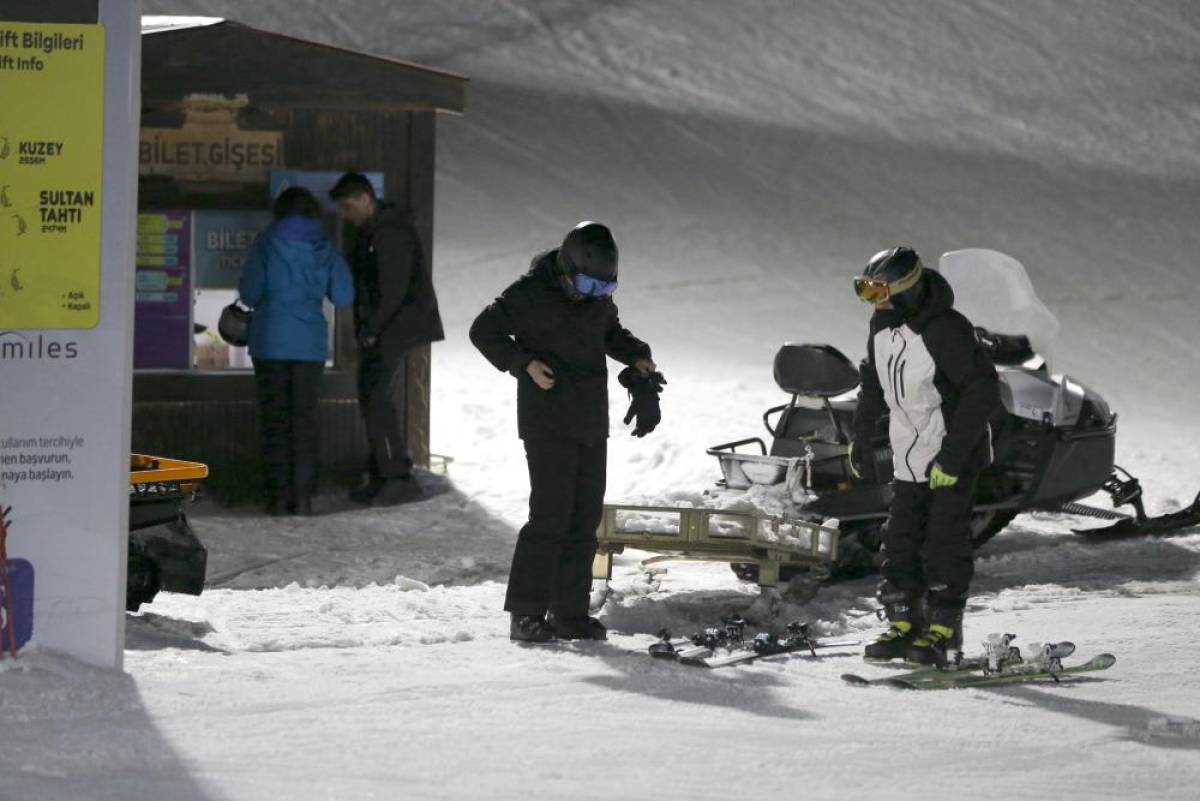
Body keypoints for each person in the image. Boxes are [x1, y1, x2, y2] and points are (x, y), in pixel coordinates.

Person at [469, 222, 663, 643]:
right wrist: (522, 363)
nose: (596, 294)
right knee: (549, 518)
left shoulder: (597, 299)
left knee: (584, 519)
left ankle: (569, 615)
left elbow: (610, 333)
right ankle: (526, 614)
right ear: (567, 268)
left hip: (590, 418)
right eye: (590, 284)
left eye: (606, 287)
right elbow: (483, 331)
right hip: (546, 419)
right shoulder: (529, 293)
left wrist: (637, 356)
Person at [849, 246, 1001, 666]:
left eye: (879, 291)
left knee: (943, 544)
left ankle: (942, 631)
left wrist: (952, 459)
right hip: (909, 457)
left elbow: (982, 392)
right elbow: (873, 383)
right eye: (865, 291)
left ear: (906, 288)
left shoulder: (945, 329)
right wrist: (861, 438)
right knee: (899, 542)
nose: (874, 301)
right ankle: (904, 625)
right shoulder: (882, 325)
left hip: (951, 455)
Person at [329, 172, 445, 506]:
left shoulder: (390, 232)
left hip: (396, 327)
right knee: (373, 398)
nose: (345, 215)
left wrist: (372, 329)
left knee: (377, 399)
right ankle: (384, 473)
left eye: (348, 207)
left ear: (365, 199)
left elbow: (393, 291)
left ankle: (397, 476)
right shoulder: (375, 230)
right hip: (390, 326)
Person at [239, 187, 355, 516]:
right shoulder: (325, 249)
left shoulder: (265, 245)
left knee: (275, 420)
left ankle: (277, 499)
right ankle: (303, 498)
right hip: (309, 347)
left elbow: (249, 294)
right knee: (304, 421)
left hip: (270, 343)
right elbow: (343, 296)